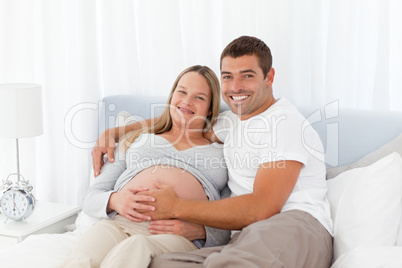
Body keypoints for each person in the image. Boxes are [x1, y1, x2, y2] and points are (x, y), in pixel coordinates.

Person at [92, 36, 334, 267]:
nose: (236, 87)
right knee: (157, 262)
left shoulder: (284, 123)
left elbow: (262, 208)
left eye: (247, 76)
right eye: (228, 76)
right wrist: (115, 132)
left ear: (269, 77)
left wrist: (176, 207)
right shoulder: (231, 122)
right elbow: (181, 115)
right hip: (243, 237)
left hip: (290, 225)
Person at [61, 65, 230, 268]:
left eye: (199, 97)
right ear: (172, 96)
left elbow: (232, 216)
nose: (186, 101)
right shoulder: (137, 139)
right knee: (82, 259)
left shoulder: (222, 153)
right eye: (182, 92)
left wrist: (202, 231)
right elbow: (91, 196)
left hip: (174, 234)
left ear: (211, 108)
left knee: (137, 246)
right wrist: (116, 200)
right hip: (120, 223)